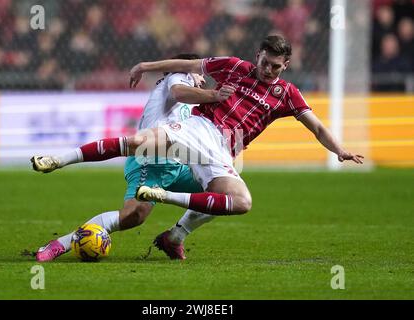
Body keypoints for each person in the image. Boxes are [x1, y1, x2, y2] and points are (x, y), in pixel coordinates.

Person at [33, 35, 364, 257]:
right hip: (198, 129)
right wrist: (146, 66)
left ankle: (174, 232)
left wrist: (338, 150)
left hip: (221, 151)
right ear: (257, 56)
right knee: (137, 144)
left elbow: (316, 125)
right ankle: (58, 160)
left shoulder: (288, 95)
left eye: (276, 66)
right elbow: (186, 67)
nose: (268, 70)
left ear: (285, 66)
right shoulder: (234, 67)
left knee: (239, 201)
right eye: (265, 62)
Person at [33, 53, 236, 261]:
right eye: (200, 74)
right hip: (149, 161)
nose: (203, 79)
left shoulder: (194, 102)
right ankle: (60, 243)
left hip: (178, 164)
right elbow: (178, 93)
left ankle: (174, 237)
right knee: (133, 216)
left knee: (224, 195)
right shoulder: (177, 76)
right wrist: (214, 95)